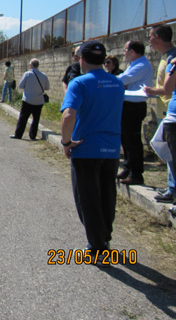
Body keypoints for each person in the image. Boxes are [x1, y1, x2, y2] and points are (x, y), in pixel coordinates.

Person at [61, 40, 124, 261]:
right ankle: (105, 235)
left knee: (87, 198)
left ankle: (97, 247)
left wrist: (66, 142)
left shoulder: (79, 83)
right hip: (112, 149)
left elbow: (69, 115)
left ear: (81, 59)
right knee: (107, 194)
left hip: (86, 148)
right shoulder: (117, 83)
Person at [145, 25, 176, 202]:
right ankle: (171, 185)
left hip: (171, 110)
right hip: (167, 109)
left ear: (157, 37)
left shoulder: (173, 58)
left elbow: (167, 88)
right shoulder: (166, 57)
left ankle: (173, 188)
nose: (149, 40)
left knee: (170, 151)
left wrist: (153, 91)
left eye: (150, 36)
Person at [116, 40, 154, 185]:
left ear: (132, 51)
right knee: (125, 139)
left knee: (132, 140)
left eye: (125, 50)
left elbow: (122, 80)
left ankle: (136, 173)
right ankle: (128, 167)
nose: (124, 53)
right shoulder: (134, 64)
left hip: (134, 106)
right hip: (128, 105)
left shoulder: (141, 65)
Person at [10, 59, 49, 140]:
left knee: (23, 118)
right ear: (38, 65)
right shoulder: (44, 76)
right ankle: (33, 135)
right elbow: (47, 88)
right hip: (39, 101)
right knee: (36, 119)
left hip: (27, 100)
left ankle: (18, 134)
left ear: (31, 65)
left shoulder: (27, 74)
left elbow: (20, 86)